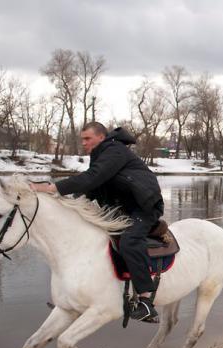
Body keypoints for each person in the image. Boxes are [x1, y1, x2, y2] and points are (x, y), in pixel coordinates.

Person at [30, 122, 163, 323]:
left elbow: (92, 178)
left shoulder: (114, 150)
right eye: (82, 139)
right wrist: (66, 201)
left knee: (129, 241)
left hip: (143, 206)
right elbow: (93, 187)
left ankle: (145, 301)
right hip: (123, 207)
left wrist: (52, 188)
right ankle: (84, 295)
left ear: (101, 137)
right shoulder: (101, 155)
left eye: (87, 138)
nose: (83, 143)